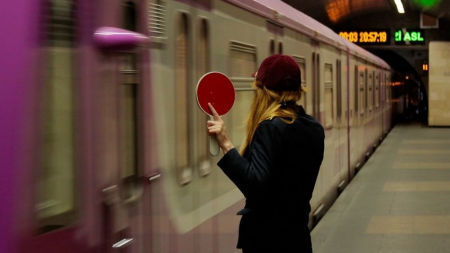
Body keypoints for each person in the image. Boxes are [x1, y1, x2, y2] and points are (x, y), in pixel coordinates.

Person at [207, 54, 325, 253]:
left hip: (268, 241)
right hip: (298, 239)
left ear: (265, 91)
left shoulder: (271, 127)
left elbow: (256, 186)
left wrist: (226, 144)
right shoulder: (314, 127)